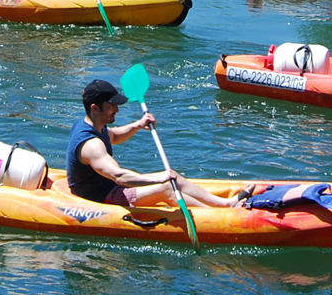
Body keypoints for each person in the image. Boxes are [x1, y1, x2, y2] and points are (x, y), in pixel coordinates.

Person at [66, 79, 246, 209]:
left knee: (172, 175)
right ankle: (215, 216)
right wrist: (158, 178)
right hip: (102, 196)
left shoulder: (95, 125)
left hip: (110, 187)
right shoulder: (91, 145)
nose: (117, 109)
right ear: (95, 108)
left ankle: (225, 203)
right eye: (111, 105)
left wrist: (137, 124)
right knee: (167, 187)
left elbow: (112, 137)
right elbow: (119, 176)